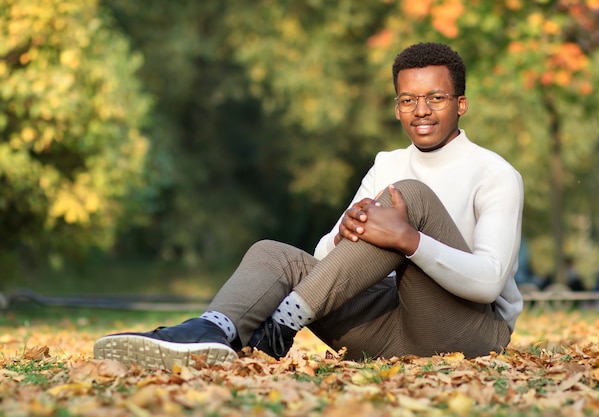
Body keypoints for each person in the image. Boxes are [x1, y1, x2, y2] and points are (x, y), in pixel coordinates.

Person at [93, 42, 524, 370]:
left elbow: (488, 284)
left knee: (408, 197)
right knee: (272, 254)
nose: (420, 110)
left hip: (466, 334)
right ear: (396, 108)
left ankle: (280, 327)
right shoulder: (386, 164)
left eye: (436, 98)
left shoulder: (495, 173)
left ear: (461, 104)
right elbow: (323, 260)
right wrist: (345, 233)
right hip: (386, 332)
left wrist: (409, 240)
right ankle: (213, 331)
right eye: (407, 100)